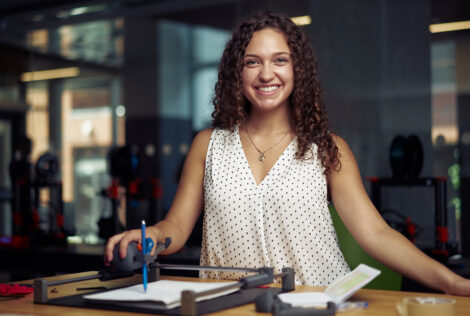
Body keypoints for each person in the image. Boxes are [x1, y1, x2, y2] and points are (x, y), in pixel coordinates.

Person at [105, 11, 470, 294]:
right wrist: (151, 234)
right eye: (252, 61)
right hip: (228, 303)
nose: (267, 74)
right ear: (238, 71)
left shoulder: (328, 149)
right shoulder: (209, 145)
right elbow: (178, 228)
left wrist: (451, 283)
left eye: (280, 60)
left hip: (318, 304)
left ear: (297, 70)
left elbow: (375, 234)